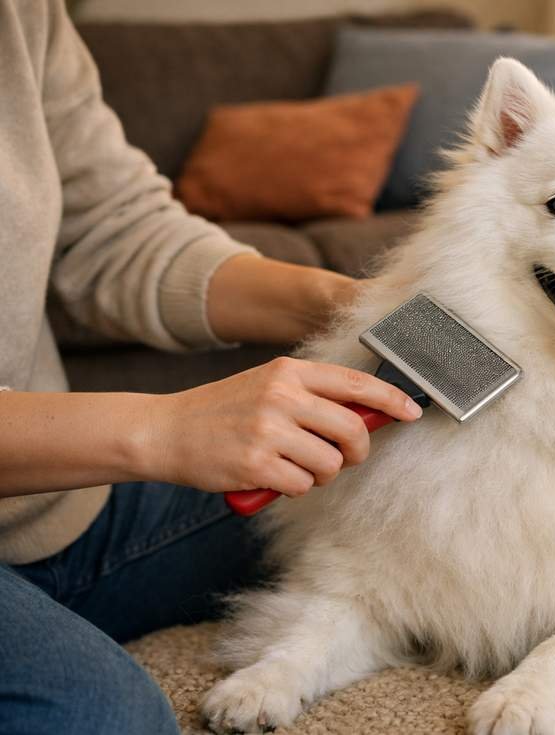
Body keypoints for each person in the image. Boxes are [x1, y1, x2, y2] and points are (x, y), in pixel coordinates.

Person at [0, 2, 422, 733]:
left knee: (394, 501)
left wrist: (345, 306)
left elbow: (115, 230)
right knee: (104, 715)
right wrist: (159, 428)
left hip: (50, 509)